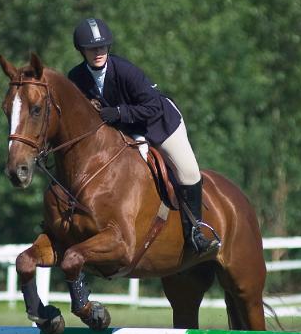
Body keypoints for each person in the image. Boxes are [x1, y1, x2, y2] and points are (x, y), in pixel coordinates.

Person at [67, 17, 219, 255]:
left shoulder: (125, 71)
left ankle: (195, 233)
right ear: (81, 50)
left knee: (188, 171)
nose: (98, 52)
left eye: (102, 46)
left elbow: (153, 107)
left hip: (159, 125)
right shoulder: (76, 78)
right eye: (91, 48)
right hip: (123, 131)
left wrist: (117, 112)